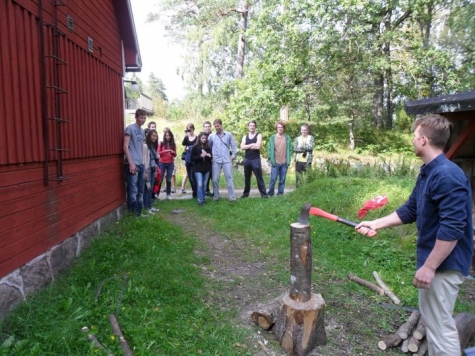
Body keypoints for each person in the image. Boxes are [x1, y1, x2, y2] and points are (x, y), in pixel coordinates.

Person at [356, 114, 473, 355]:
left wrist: (429, 267)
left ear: (423, 140)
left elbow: (453, 229)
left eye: (413, 137)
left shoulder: (447, 176)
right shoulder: (429, 172)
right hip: (436, 262)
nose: (411, 142)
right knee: (435, 323)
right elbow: (410, 210)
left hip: (444, 264)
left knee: (440, 329)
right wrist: (375, 223)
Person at [123, 109, 147, 217]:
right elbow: (125, 146)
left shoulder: (142, 131)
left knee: (140, 191)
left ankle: (138, 213)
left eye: (144, 118)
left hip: (140, 164)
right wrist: (131, 163)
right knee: (133, 191)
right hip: (133, 164)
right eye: (141, 117)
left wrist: (143, 162)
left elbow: (141, 147)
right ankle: (132, 215)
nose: (143, 120)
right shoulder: (130, 128)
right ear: (136, 117)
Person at [208, 119, 237, 202]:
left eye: (218, 126)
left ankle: (232, 198)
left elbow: (234, 146)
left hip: (226, 160)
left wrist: (233, 156)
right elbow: (208, 147)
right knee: (215, 179)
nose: (216, 128)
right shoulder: (212, 136)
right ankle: (216, 197)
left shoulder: (228, 135)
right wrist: (211, 157)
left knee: (229, 178)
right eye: (215, 126)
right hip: (216, 160)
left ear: (221, 125)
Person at [240, 120, 268, 198]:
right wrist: (252, 144)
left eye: (253, 125)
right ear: (248, 127)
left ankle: (264, 194)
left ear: (255, 127)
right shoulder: (245, 136)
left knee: (259, 177)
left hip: (255, 160)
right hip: (247, 160)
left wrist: (247, 146)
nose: (252, 127)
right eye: (250, 125)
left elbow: (258, 146)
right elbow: (242, 147)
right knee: (247, 178)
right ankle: (245, 194)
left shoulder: (259, 135)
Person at [267, 121, 292, 197]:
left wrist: (288, 159)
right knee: (273, 179)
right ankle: (270, 194)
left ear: (283, 128)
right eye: (278, 127)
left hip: (284, 163)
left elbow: (290, 149)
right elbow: (269, 149)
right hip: (275, 162)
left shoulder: (287, 138)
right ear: (276, 128)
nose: (280, 129)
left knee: (282, 180)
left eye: (281, 127)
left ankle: (280, 194)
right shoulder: (272, 137)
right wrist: (271, 159)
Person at [191, 132, 212, 206]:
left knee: (204, 184)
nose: (204, 139)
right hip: (198, 168)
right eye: (202, 138)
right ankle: (200, 200)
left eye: (205, 138)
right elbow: (192, 158)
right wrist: (200, 156)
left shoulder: (208, 147)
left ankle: (203, 199)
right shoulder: (195, 147)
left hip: (206, 168)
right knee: (199, 184)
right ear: (199, 138)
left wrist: (209, 156)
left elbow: (210, 158)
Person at [158, 129, 177, 200]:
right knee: (160, 178)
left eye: (169, 136)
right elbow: (158, 153)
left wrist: (172, 152)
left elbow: (175, 155)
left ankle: (168, 194)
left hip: (170, 163)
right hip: (162, 162)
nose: (168, 137)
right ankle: (157, 193)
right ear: (164, 136)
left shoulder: (173, 144)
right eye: (166, 136)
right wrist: (165, 151)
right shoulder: (161, 143)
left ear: (171, 136)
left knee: (169, 179)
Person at [143, 129, 159, 213]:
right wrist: (145, 172)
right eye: (153, 136)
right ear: (149, 136)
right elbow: (145, 159)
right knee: (147, 188)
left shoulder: (153, 146)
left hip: (153, 169)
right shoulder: (145, 146)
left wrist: (155, 169)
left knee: (151, 188)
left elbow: (155, 158)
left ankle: (150, 206)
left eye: (156, 136)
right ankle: (146, 207)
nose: (155, 137)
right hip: (147, 169)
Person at [182, 124, 198, 198]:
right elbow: (183, 144)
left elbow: (197, 147)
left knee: (194, 177)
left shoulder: (197, 138)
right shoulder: (186, 137)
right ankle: (194, 191)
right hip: (188, 159)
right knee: (190, 177)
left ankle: (196, 192)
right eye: (188, 129)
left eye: (190, 129)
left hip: (194, 159)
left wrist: (190, 147)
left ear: (193, 129)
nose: (189, 131)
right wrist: (187, 135)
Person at [203, 120, 213, 196]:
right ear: (204, 127)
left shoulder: (214, 135)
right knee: (206, 175)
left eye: (208, 126)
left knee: (213, 175)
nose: (207, 128)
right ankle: (206, 190)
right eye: (206, 126)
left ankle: (215, 191)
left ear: (210, 127)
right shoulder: (201, 135)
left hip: (213, 158)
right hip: (204, 159)